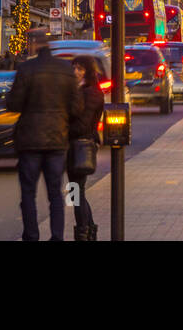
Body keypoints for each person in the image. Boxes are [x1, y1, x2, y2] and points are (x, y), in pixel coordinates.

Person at [3, 40, 84, 241]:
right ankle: (57, 236)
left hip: (29, 139)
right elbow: (77, 108)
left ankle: (31, 235)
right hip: (57, 138)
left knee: (28, 193)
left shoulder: (26, 68)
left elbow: (13, 103)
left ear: (34, 47)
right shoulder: (65, 70)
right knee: (55, 193)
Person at [67, 55, 104, 241]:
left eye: (80, 69)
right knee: (76, 191)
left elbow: (82, 124)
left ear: (88, 72)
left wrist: (63, 129)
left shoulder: (90, 93)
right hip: (76, 146)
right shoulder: (82, 90)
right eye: (74, 68)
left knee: (75, 192)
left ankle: (83, 232)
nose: (75, 72)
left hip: (80, 146)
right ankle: (88, 230)